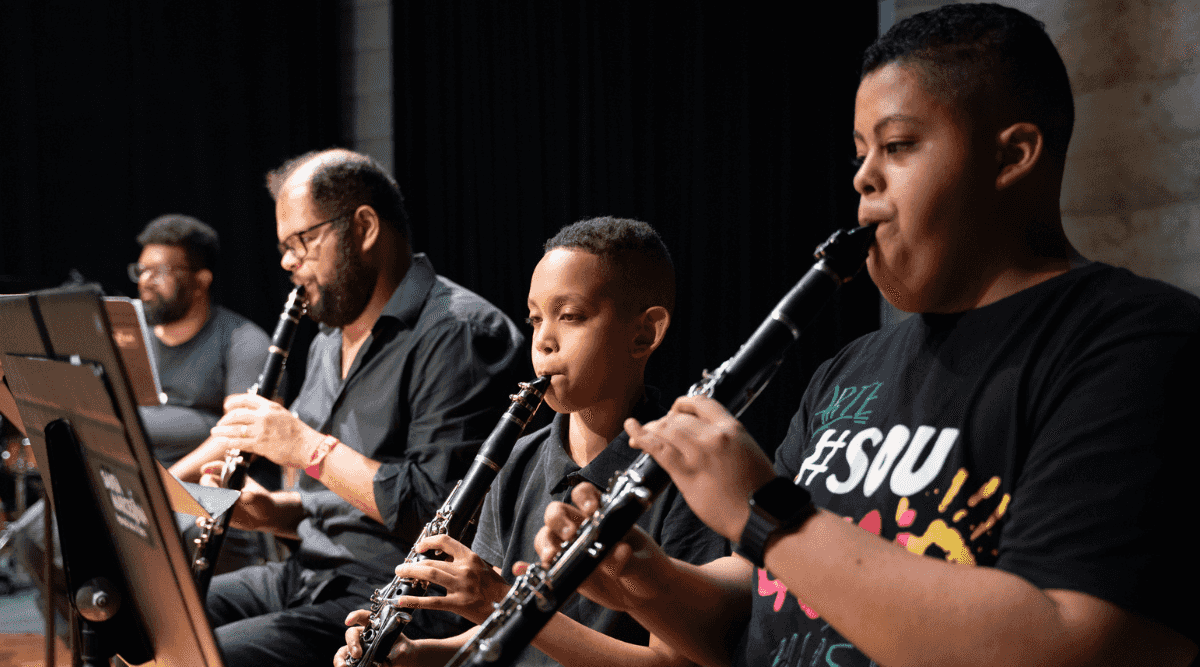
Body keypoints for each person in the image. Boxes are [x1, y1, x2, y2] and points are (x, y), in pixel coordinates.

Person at [536, 5, 1200, 667]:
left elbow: (1072, 638)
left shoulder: (1136, 343)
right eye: (860, 152)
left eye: (898, 145)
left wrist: (764, 508)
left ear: (1012, 156)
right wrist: (651, 584)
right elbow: (760, 607)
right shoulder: (847, 371)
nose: (863, 176)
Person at [174, 148, 525, 667]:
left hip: (398, 599)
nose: (287, 262)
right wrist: (273, 512)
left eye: (302, 242)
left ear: (363, 227)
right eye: (283, 247)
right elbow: (340, 503)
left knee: (209, 658)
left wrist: (305, 445)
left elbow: (437, 513)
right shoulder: (324, 342)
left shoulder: (458, 334)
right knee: (150, 620)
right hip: (309, 574)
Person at [335, 217, 728, 667]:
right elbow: (498, 634)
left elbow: (675, 662)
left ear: (645, 333)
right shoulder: (518, 459)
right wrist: (418, 656)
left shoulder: (684, 465)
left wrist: (502, 599)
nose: (543, 340)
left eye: (571, 316)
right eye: (536, 318)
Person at [132, 214, 270, 469]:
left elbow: (246, 434)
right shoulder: (132, 335)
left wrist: (167, 487)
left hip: (200, 488)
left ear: (201, 280)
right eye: (141, 271)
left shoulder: (245, 343)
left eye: (159, 272)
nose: (145, 282)